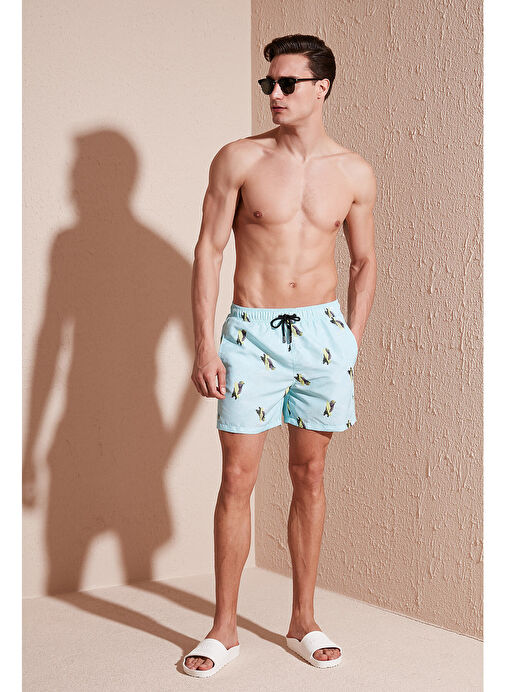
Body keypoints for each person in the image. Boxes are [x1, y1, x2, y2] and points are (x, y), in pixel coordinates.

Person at [185, 33, 377, 677]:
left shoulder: (353, 171)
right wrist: (205, 344)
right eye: (268, 82)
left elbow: (365, 261)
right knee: (237, 478)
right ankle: (224, 628)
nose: (274, 93)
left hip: (322, 336)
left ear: (321, 88)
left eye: (287, 83)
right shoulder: (239, 159)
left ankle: (303, 620)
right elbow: (210, 249)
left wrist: (349, 340)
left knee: (310, 474)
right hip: (252, 334)